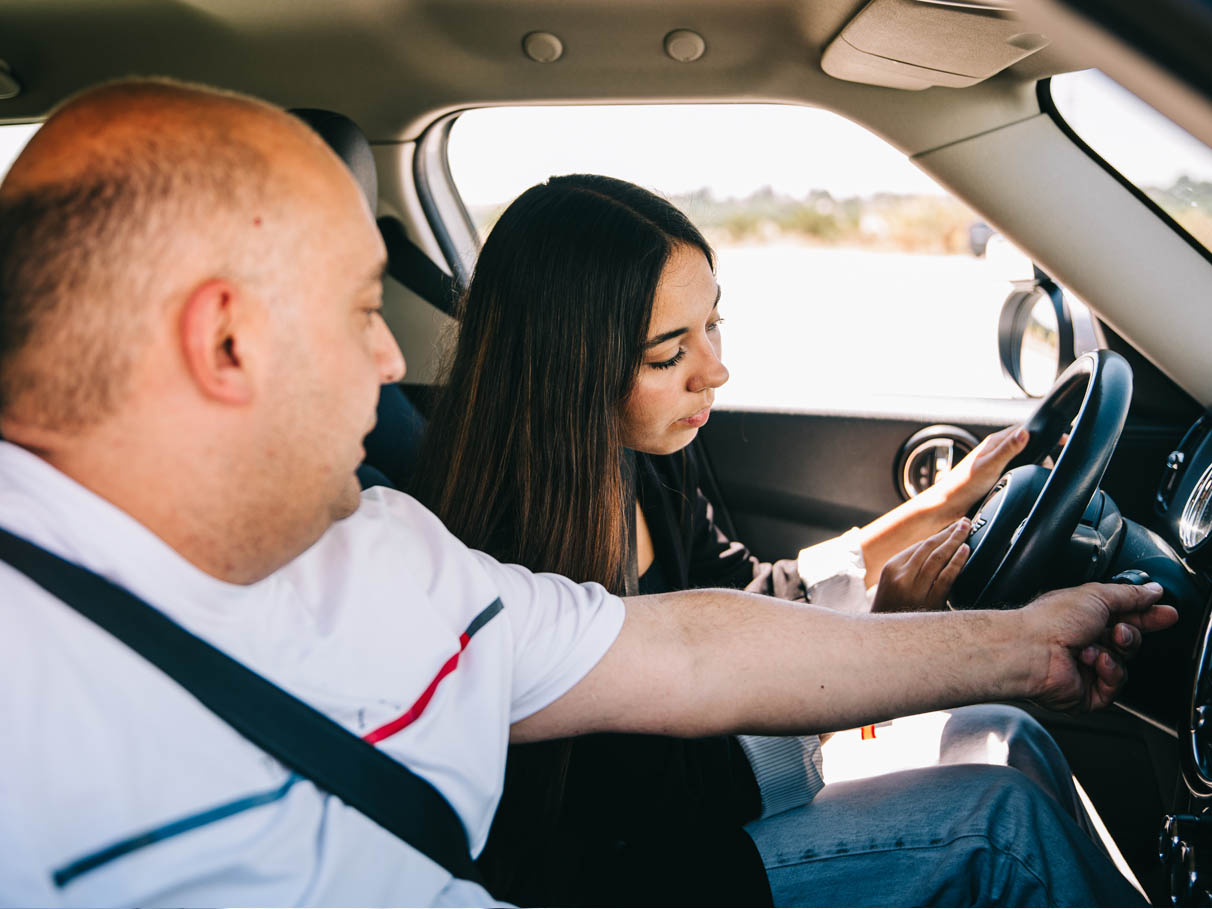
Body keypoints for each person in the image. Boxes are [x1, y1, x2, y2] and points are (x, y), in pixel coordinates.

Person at [0, 79, 1174, 909]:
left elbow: (694, 650)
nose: (392, 361)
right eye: (365, 310)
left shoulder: (394, 554)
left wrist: (1012, 646)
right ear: (229, 343)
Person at [411, 174, 1133, 905]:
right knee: (999, 825)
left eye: (713, 325)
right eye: (669, 355)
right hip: (646, 872)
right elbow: (667, 798)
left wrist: (938, 507)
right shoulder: (500, 557)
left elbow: (751, 591)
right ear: (572, 366)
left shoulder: (639, 458)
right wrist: (882, 643)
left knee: (1004, 731)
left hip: (700, 811)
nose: (715, 370)